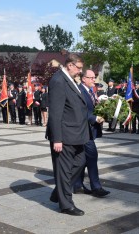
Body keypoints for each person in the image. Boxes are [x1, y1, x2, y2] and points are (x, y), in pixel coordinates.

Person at [46, 53, 90, 216]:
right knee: (64, 170)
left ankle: (59, 192)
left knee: (81, 161)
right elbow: (55, 113)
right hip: (64, 136)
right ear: (70, 65)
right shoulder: (58, 81)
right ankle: (66, 205)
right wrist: (57, 139)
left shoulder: (70, 79)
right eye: (79, 68)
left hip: (76, 134)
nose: (80, 71)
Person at [74, 69, 109, 197]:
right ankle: (96, 187)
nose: (94, 80)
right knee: (92, 157)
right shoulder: (79, 90)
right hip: (83, 131)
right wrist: (94, 118)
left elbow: (91, 108)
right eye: (91, 77)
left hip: (87, 130)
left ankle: (77, 185)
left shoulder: (89, 91)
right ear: (84, 78)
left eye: (94, 77)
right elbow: (79, 111)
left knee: (82, 159)